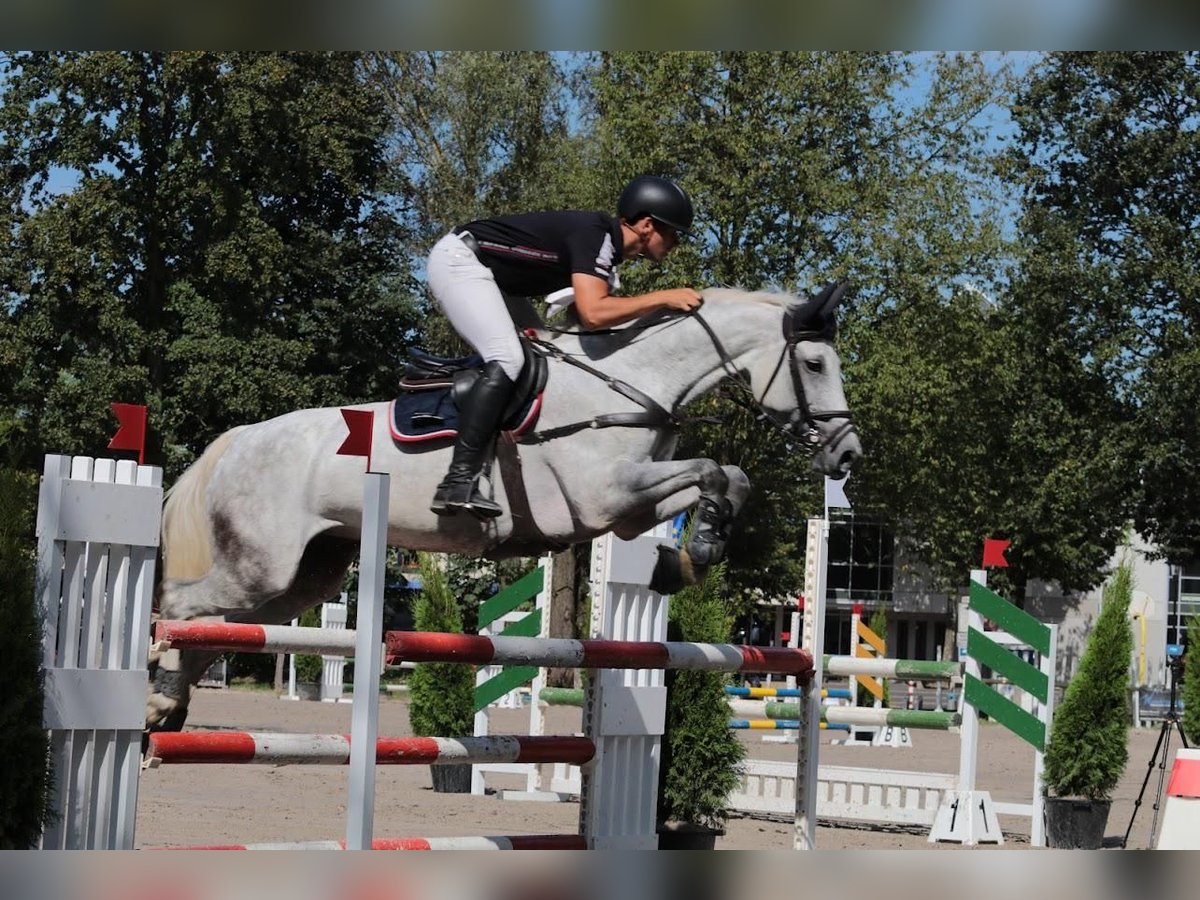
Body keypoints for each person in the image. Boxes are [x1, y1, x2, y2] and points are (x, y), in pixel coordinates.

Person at [426, 174, 703, 519]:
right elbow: (593, 313)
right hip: (462, 261)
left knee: (548, 358)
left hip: (498, 282)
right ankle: (458, 480)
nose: (677, 241)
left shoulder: (607, 254)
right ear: (647, 225)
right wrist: (664, 297)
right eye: (673, 231)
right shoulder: (596, 235)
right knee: (509, 357)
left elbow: (584, 328)